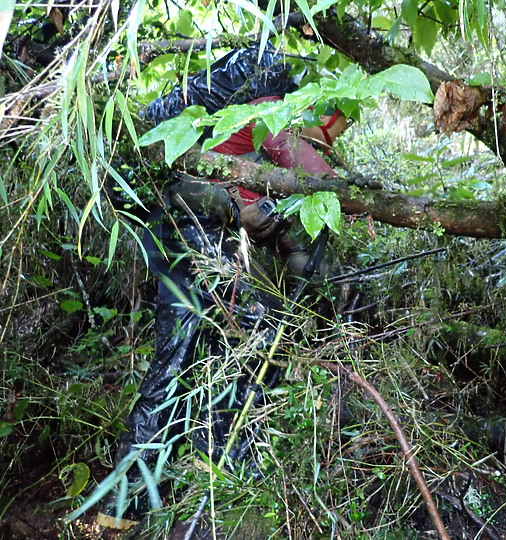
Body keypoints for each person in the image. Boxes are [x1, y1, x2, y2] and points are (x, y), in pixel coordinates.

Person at [97, 45, 348, 531]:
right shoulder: (271, 112)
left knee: (204, 352)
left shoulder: (233, 121)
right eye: (332, 130)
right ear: (321, 113)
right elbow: (326, 181)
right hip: (194, 235)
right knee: (190, 356)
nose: (329, 140)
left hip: (181, 230)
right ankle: (133, 502)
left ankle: (185, 480)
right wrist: (361, 198)